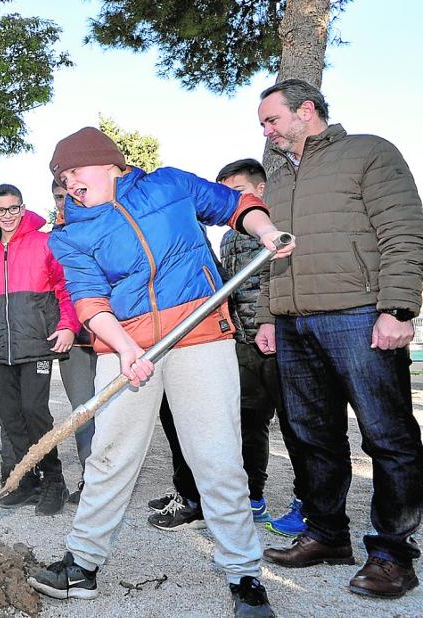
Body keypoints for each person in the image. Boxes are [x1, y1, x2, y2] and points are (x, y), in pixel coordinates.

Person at [28, 126, 291, 618]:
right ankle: (82, 565)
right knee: (110, 454)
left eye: (76, 171)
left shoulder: (168, 185)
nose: (69, 182)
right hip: (124, 345)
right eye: (62, 177)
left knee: (215, 455)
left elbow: (232, 205)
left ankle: (244, 575)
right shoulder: (69, 234)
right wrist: (127, 349)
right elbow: (88, 299)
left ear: (110, 163)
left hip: (200, 336)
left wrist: (265, 232)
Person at [254, 79, 423, 600]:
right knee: (310, 436)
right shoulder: (278, 181)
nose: (266, 131)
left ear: (306, 110)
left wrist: (398, 307)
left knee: (386, 436)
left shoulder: (369, 153)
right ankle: (327, 536)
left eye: (271, 119)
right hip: (293, 323)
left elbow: (404, 230)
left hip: (357, 316)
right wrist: (267, 314)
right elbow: (269, 255)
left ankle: (393, 554)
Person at [0, 184, 79, 516]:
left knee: (35, 412)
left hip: (36, 345)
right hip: (1, 350)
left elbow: (66, 287)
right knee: (11, 417)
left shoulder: (45, 243)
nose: (7, 215)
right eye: (0, 210)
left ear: (22, 207)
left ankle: (54, 481)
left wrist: (67, 325)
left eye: (13, 208)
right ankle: (27, 481)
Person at [217, 158, 306, 536]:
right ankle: (252, 496)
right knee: (249, 422)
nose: (230, 201)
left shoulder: (279, 225)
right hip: (242, 344)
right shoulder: (226, 237)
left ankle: (308, 502)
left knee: (296, 424)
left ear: (261, 188)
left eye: (236, 191)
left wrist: (274, 324)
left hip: (281, 339)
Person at [50, 180, 97, 505]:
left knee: (118, 412)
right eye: (58, 197)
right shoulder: (52, 238)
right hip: (74, 340)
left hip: (115, 334)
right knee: (84, 411)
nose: (65, 202)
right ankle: (90, 478)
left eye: (71, 195)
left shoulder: (108, 223)